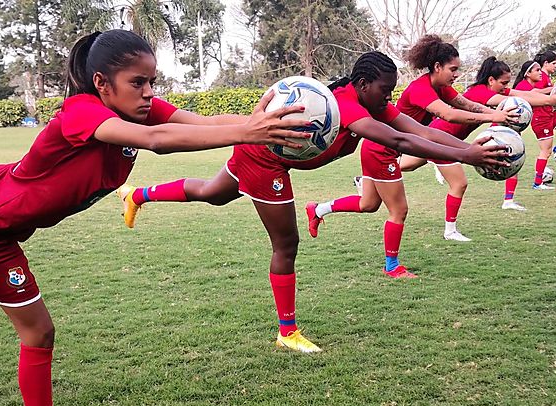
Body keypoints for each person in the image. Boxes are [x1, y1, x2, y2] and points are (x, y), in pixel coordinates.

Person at [0, 30, 312, 406]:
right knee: (39, 334)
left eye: (152, 81)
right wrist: (249, 131)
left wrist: (258, 119)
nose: (147, 92)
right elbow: (160, 142)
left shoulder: (139, 107)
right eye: (137, 82)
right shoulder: (81, 112)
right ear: (101, 83)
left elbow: (199, 123)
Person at [116, 51, 509, 353]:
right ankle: (288, 332)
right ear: (360, 83)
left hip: (267, 156)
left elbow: (418, 129)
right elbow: (401, 142)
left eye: (390, 91)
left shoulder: (372, 102)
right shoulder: (348, 106)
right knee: (287, 244)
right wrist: (467, 156)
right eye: (383, 90)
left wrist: (466, 147)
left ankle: (137, 194)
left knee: (211, 194)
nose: (387, 98)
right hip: (264, 160)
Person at [307, 38, 518, 282]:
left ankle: (319, 209)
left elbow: (429, 130)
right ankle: (392, 266)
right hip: (382, 148)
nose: (457, 75)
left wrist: (471, 145)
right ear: (437, 66)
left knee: (369, 204)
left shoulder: (437, 89)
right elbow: (432, 124)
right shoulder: (419, 89)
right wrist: (467, 152)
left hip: (390, 146)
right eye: (453, 69)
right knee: (400, 209)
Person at [399, 57, 556, 215]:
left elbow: (523, 95)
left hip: (445, 138)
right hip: (442, 137)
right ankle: (450, 231)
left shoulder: (489, 90)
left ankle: (378, 168)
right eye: (503, 83)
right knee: (459, 184)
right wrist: (548, 101)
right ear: (491, 80)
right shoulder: (480, 92)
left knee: (402, 166)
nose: (505, 87)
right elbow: (454, 114)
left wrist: (549, 98)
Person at [517, 51, 556, 189]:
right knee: (545, 151)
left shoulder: (546, 77)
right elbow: (533, 93)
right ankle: (538, 183)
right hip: (541, 119)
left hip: (551, 115)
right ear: (546, 63)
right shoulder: (541, 76)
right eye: (554, 63)